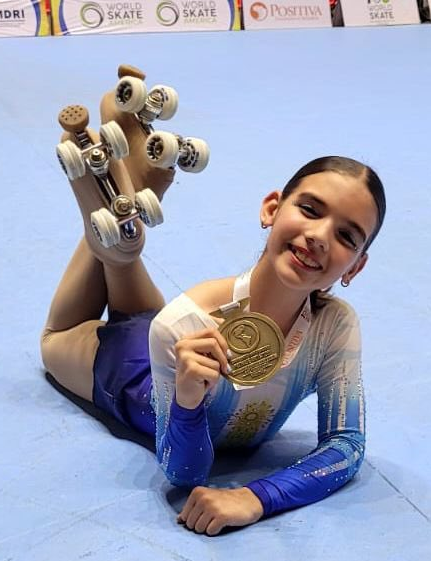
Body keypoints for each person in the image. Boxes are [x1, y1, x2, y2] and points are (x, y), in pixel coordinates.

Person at [41, 73, 386, 536]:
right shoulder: (184, 323)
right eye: (310, 209)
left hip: (163, 334)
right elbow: (183, 475)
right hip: (121, 370)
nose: (320, 237)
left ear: (355, 267)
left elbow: (346, 445)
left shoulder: (334, 328)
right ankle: (113, 218)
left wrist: (255, 497)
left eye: (346, 236)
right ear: (271, 209)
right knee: (57, 336)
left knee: (124, 260)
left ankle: (126, 204)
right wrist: (185, 403)